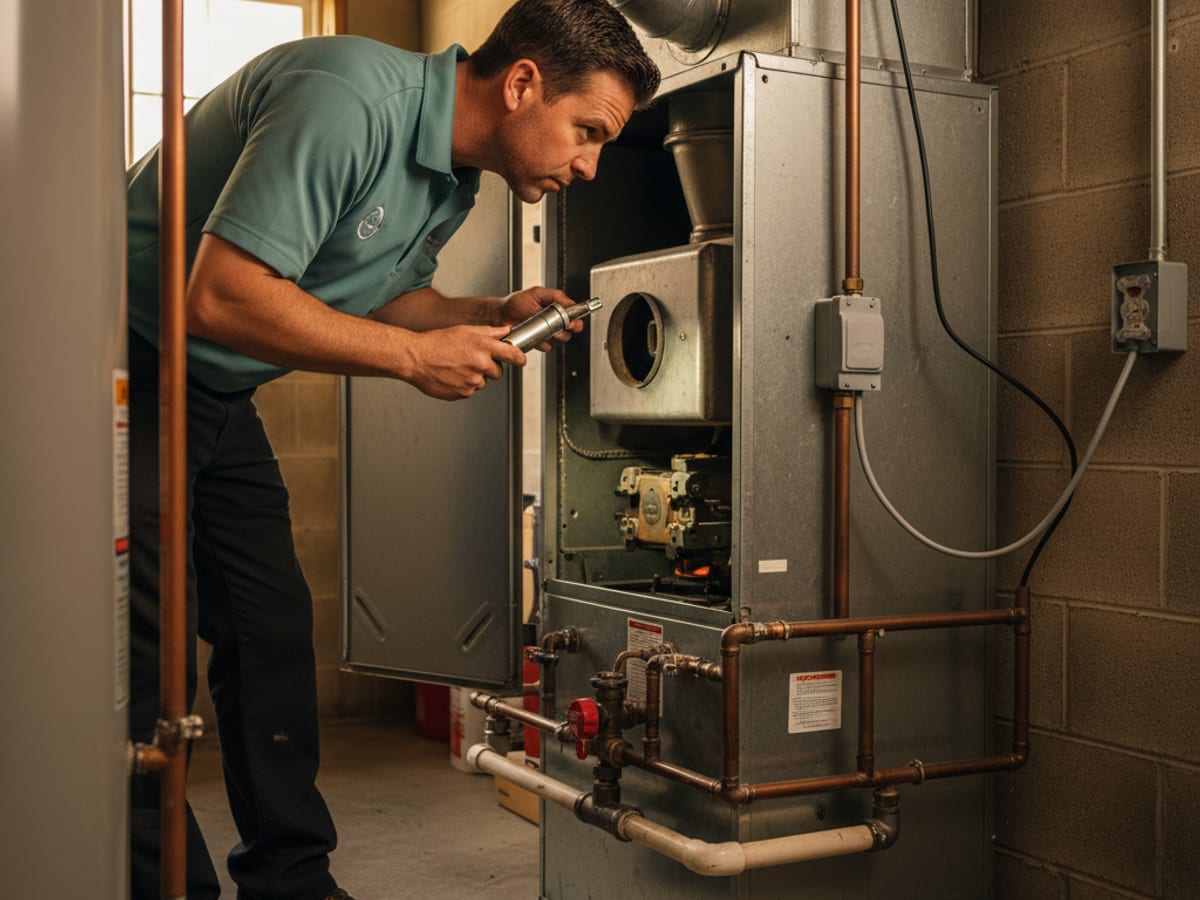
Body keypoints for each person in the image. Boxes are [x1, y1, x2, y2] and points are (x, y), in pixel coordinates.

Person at [124, 1, 660, 898]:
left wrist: (486, 315)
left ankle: (291, 880)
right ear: (523, 82)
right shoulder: (344, 100)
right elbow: (218, 297)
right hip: (120, 368)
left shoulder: (452, 178)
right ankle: (155, 884)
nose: (590, 164)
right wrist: (415, 360)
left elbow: (374, 298)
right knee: (144, 655)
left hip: (215, 389)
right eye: (587, 133)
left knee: (269, 634)